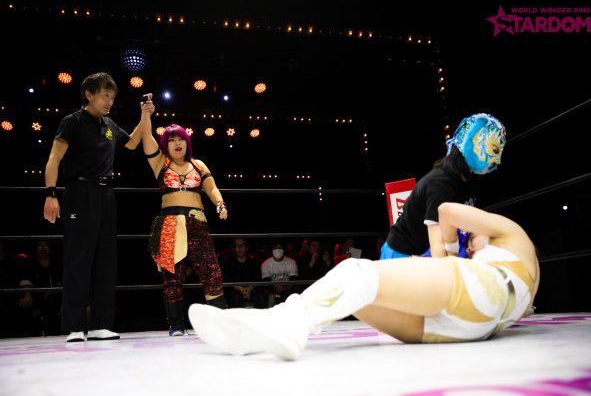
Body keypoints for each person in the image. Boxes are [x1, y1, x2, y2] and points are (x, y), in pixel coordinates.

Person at [188, 203, 539, 361]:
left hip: (477, 289)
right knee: (357, 295)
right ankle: (257, 333)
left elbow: (446, 210)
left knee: (356, 271)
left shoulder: (513, 234)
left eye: (474, 238)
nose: (471, 243)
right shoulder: (527, 276)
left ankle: (284, 325)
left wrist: (448, 254)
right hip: (473, 327)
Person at [43, 72, 153, 342]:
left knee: (106, 260)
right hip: (79, 192)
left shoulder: (109, 125)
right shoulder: (72, 121)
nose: (109, 101)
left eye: (112, 97)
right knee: (78, 258)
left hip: (106, 194)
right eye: (105, 95)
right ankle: (74, 326)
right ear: (89, 94)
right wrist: (50, 194)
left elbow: (132, 143)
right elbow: (54, 158)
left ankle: (101, 324)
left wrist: (145, 115)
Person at [140, 109, 229, 337]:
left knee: (212, 271)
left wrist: (220, 204)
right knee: (172, 274)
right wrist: (145, 114)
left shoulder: (198, 164)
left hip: (197, 222)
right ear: (165, 145)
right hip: (170, 223)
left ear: (187, 142)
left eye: (180, 139)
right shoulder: (160, 163)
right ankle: (176, 324)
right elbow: (146, 137)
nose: (177, 143)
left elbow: (211, 188)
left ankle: (220, 323)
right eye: (171, 140)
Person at [381, 113, 506, 259]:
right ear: (472, 142)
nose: (497, 161)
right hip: (402, 253)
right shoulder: (440, 184)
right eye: (494, 149)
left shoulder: (471, 179)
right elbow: (438, 249)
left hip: (425, 250)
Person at [220, 237, 267, 309]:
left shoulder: (254, 262)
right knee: (235, 297)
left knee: (260, 296)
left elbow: (258, 278)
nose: (240, 247)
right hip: (235, 290)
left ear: (247, 248)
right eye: (237, 245)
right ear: (234, 248)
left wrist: (250, 288)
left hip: (252, 289)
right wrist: (240, 289)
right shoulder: (228, 263)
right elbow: (227, 280)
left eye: (242, 245)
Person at [261, 241, 299, 306]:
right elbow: (266, 282)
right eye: (275, 247)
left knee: (292, 298)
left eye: (280, 247)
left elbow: (294, 280)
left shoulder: (291, 262)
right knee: (272, 298)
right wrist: (275, 287)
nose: (278, 250)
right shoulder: (266, 264)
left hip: (288, 290)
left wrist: (286, 287)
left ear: (284, 249)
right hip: (273, 291)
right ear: (272, 250)